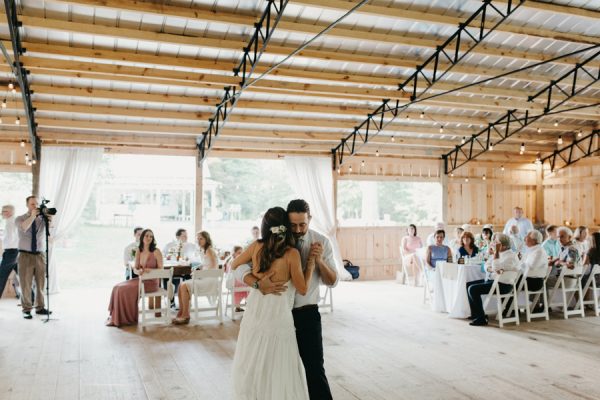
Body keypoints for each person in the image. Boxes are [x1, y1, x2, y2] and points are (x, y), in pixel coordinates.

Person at [234, 199, 338, 400]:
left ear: (310, 219)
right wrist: (256, 283)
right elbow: (237, 268)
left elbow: (333, 281)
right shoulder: (271, 243)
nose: (298, 230)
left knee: (314, 369)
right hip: (275, 315)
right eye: (293, 225)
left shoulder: (322, 241)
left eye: (303, 224)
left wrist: (319, 261)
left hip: (306, 313)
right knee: (274, 369)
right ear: (285, 222)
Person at [106, 229, 163, 327]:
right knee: (117, 287)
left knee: (124, 289)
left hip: (151, 283)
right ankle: (117, 316)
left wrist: (150, 270)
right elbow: (135, 269)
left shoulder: (156, 251)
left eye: (151, 236)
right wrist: (139, 271)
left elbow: (161, 269)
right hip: (141, 280)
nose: (149, 238)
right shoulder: (138, 251)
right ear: (142, 237)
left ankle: (126, 318)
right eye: (146, 236)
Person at [467, 233, 520, 326]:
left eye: (496, 242)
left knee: (473, 289)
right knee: (468, 284)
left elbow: (496, 266)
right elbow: (487, 265)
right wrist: (491, 269)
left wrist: (496, 254)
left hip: (503, 285)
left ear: (503, 245)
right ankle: (477, 314)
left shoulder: (511, 256)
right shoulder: (500, 253)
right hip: (494, 281)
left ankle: (481, 319)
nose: (493, 243)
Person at [15, 196, 52, 319]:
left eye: (36, 204)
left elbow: (51, 230)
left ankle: (40, 307)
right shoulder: (20, 219)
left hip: (40, 255)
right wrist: (32, 216)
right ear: (27, 205)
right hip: (25, 255)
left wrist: (49, 219)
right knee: (26, 284)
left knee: (41, 283)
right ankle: (26, 309)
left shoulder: (42, 219)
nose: (35, 206)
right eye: (32, 204)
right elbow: (24, 227)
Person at [171, 231, 219, 324]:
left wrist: (200, 272)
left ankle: (185, 315)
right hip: (206, 278)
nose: (198, 240)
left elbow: (213, 267)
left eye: (201, 238)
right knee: (181, 285)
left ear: (207, 239)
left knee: (184, 286)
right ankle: (182, 313)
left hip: (210, 280)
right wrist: (199, 267)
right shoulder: (204, 250)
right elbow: (206, 264)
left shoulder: (209, 250)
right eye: (197, 238)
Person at [504, 230, 549, 314]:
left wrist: (518, 264)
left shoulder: (538, 251)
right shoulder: (532, 250)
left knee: (507, 283)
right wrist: (519, 261)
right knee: (507, 280)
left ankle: (510, 310)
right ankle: (511, 309)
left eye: (527, 237)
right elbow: (525, 265)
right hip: (528, 280)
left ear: (534, 240)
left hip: (534, 282)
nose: (524, 238)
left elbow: (531, 267)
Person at [0, 205, 19, 298]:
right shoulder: (11, 221)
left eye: (4, 211)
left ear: (11, 212)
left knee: (1, 276)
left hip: (11, 252)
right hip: (14, 252)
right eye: (2, 211)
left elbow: (11, 238)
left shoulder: (10, 223)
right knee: (22, 276)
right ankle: (31, 297)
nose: (2, 213)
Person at [224, 245, 248, 312]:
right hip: (235, 282)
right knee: (249, 284)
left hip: (233, 282)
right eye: (239, 252)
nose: (241, 254)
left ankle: (241, 304)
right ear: (234, 253)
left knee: (247, 284)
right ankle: (247, 302)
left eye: (242, 253)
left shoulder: (232, 261)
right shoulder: (234, 261)